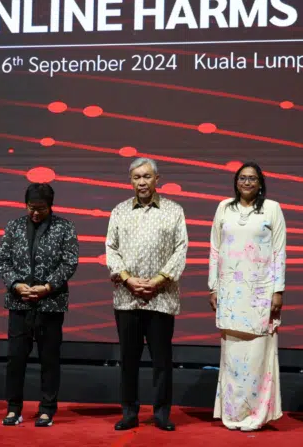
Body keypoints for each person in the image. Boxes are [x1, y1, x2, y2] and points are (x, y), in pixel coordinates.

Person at [105, 158, 189, 432]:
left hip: (161, 298)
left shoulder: (174, 211)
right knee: (128, 360)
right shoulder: (119, 211)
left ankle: (162, 414)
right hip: (126, 298)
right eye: (136, 177)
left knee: (161, 360)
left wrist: (157, 281)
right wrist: (129, 280)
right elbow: (111, 249)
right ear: (130, 181)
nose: (142, 182)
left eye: (147, 177)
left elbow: (181, 249)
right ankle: (129, 412)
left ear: (157, 179)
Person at [208, 162, 286, 431]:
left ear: (261, 182)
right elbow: (215, 249)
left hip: (260, 292)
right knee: (233, 358)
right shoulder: (224, 208)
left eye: (252, 178)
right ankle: (232, 413)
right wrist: (213, 287)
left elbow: (279, 252)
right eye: (243, 178)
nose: (247, 182)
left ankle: (257, 413)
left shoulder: (272, 209)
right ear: (236, 181)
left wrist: (278, 290)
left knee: (257, 357)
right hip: (230, 293)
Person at [0, 183, 79, 428]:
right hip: (19, 302)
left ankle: (47, 409)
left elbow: (69, 262)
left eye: (40, 209)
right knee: (15, 358)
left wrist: (47, 287)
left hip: (50, 304)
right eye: (31, 208)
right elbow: (3, 261)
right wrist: (15, 284)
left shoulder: (65, 227)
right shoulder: (13, 227)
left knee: (49, 359)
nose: (35, 213)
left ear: (50, 206)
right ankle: (13, 408)